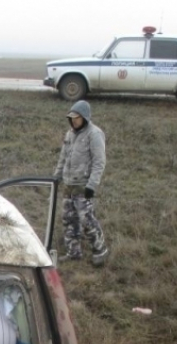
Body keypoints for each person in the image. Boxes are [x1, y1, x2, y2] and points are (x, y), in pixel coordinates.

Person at [52, 100, 108, 266]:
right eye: (71, 118)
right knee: (69, 219)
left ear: (85, 117)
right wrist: (56, 177)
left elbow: (99, 162)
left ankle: (100, 249)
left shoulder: (95, 134)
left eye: (77, 118)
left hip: (83, 187)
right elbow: (63, 158)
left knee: (87, 220)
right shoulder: (69, 134)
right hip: (68, 185)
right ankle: (73, 252)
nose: (74, 121)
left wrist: (91, 185)